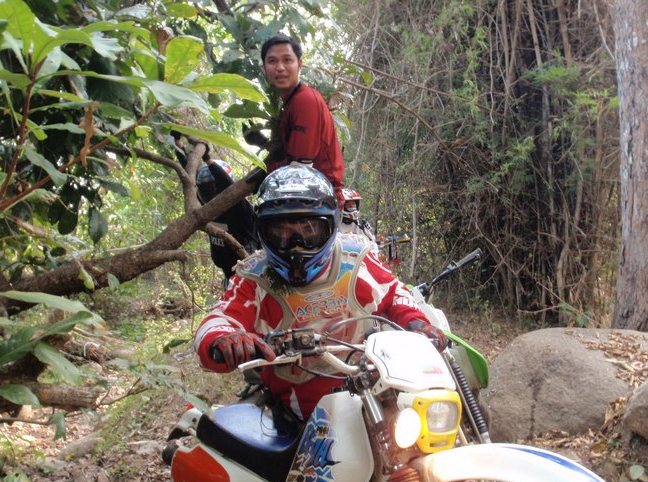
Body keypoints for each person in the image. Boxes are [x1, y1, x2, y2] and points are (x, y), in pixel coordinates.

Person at [194, 165, 446, 422]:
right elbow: (217, 320)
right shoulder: (254, 278)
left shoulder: (355, 260)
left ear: (331, 226)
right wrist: (222, 339)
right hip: (297, 418)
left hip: (374, 400)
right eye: (282, 232)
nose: (296, 245)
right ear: (263, 230)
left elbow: (394, 292)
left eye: (309, 229)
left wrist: (415, 322)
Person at [259, 34, 345, 208]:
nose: (280, 67)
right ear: (264, 68)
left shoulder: (305, 100)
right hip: (302, 199)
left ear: (300, 64)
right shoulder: (290, 103)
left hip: (318, 204)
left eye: (287, 60)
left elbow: (298, 169)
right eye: (273, 61)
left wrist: (261, 173)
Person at [172, 131, 259, 283]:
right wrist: (177, 141)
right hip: (228, 273)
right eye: (205, 188)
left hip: (250, 272)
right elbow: (189, 170)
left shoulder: (240, 208)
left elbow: (228, 187)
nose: (209, 192)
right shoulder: (208, 207)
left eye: (213, 187)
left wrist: (208, 159)